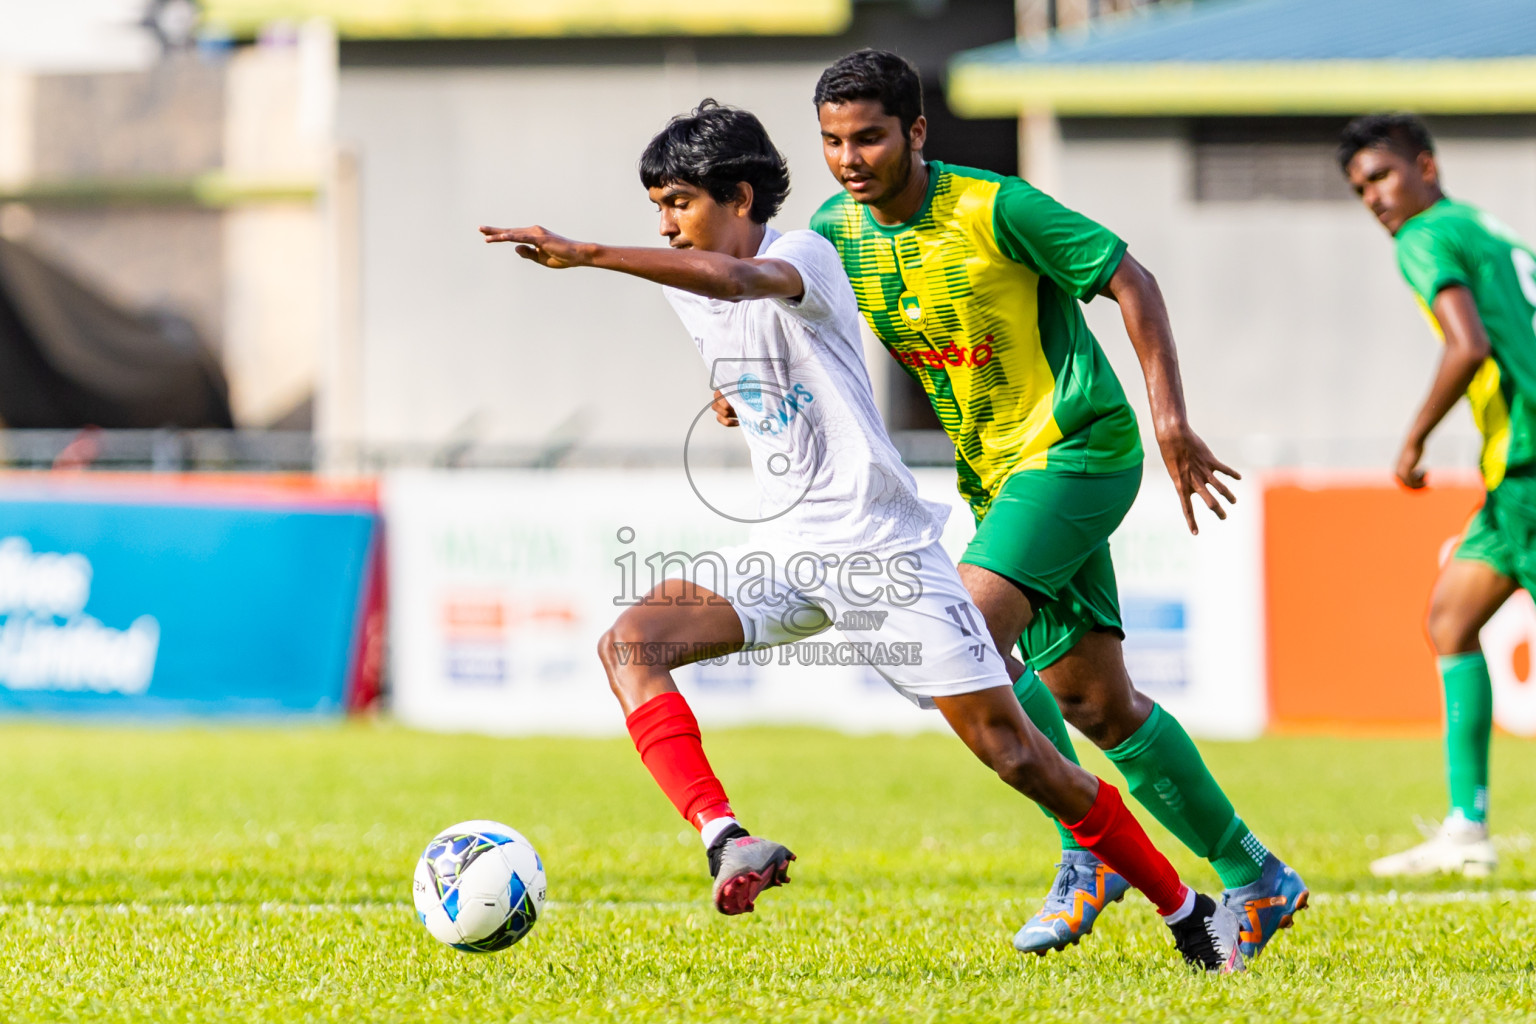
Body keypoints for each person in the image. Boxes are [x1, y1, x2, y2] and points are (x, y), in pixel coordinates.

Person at [481, 100, 1244, 972]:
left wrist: (585, 253)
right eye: (656, 205)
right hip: (789, 550)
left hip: (883, 555)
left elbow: (744, 288)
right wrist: (735, 398)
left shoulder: (801, 251)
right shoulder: (684, 280)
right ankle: (726, 837)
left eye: (679, 203)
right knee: (630, 645)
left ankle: (1188, 911)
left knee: (1020, 758)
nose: (665, 224)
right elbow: (753, 348)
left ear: (739, 196)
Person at [765, 48, 1305, 959]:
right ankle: (1257, 877)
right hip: (996, 477)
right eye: (832, 141)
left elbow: (1131, 278)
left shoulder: (997, 206)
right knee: (1098, 706)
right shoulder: (833, 232)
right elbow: (798, 320)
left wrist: (1171, 419)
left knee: (962, 632)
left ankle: (1083, 852)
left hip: (1077, 449)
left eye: (869, 137)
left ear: (916, 133)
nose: (850, 159)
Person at [1340, 113, 1536, 878]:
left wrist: (1414, 438)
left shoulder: (1424, 238)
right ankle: (1467, 827)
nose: (1374, 198)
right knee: (1451, 617)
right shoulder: (1485, 228)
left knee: (1450, 620)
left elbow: (1469, 344)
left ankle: (1467, 829)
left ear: (1425, 165)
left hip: (1528, 466)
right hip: (1512, 481)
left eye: (1383, 176)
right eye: (1360, 188)